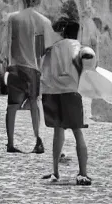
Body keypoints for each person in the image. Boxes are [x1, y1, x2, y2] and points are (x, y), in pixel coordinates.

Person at [39, 20, 95, 185]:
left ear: (63, 32)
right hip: (71, 91)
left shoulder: (53, 47)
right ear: (77, 33)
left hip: (52, 92)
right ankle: (83, 173)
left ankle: (55, 171)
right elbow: (89, 61)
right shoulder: (78, 46)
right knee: (77, 132)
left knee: (58, 132)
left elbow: (44, 66)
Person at [4, 0, 52, 154]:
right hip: (32, 69)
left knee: (12, 106)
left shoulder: (12, 18)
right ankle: (38, 139)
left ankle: (10, 143)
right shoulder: (43, 21)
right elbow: (44, 50)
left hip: (15, 66)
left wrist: (6, 64)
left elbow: (6, 42)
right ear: (38, 1)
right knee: (34, 103)